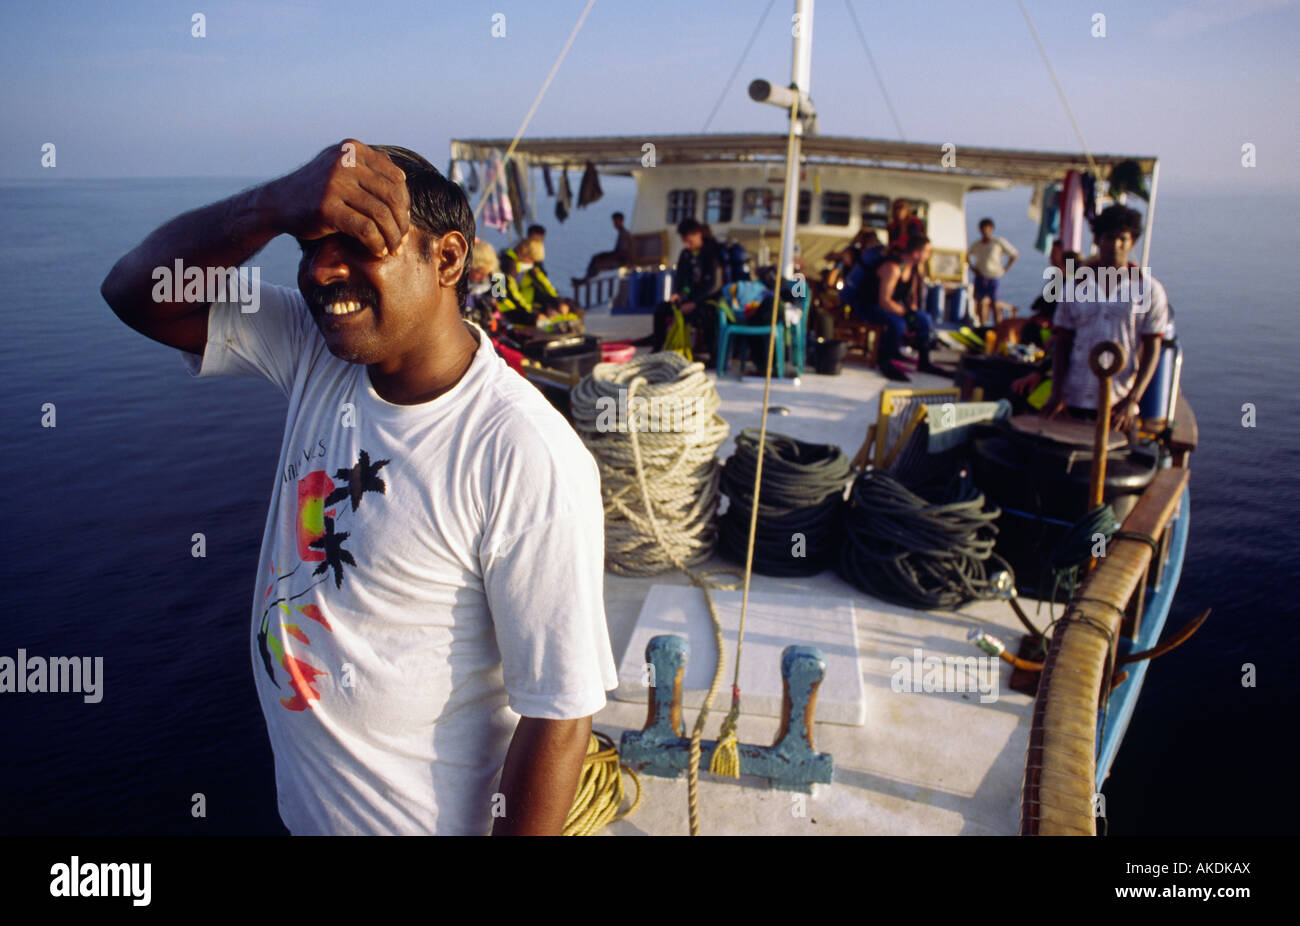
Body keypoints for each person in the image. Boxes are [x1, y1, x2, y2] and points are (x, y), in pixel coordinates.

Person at [99, 140, 616, 836]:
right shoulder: (321, 351)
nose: (322, 271)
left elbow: (558, 713)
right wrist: (270, 204)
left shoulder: (522, 453)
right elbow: (135, 293)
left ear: (448, 259)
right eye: (309, 246)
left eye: (360, 243)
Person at [1042, 204, 1169, 431]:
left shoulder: (1149, 290)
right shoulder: (1074, 286)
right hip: (1074, 399)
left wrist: (1132, 400)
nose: (1115, 245)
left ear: (1133, 242)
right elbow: (1063, 341)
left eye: (1122, 238)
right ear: (1098, 239)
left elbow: (1152, 349)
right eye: (1109, 237)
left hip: (1118, 404)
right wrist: (1056, 393)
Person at [851, 235, 940, 381]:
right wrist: (905, 313)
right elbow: (884, 301)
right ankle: (885, 360)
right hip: (867, 306)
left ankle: (924, 361)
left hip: (888, 307)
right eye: (927, 252)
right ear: (916, 253)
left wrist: (913, 313)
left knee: (924, 318)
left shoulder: (913, 269)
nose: (929, 256)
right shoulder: (893, 268)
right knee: (898, 323)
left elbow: (911, 298)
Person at [650, 218, 724, 358]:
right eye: (684, 241)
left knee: (709, 316)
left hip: (708, 301)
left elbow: (715, 285)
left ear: (698, 235)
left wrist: (694, 303)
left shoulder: (712, 253)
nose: (686, 245)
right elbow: (681, 277)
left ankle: (714, 356)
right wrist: (677, 293)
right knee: (661, 310)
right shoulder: (685, 254)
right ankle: (657, 348)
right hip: (689, 300)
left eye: (689, 241)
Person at [967, 218, 1018, 326]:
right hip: (980, 276)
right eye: (983, 228)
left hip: (994, 277)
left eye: (987, 228)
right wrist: (972, 268)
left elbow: (1014, 255)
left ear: (991, 229)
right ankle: (982, 327)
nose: (985, 231)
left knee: (995, 303)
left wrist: (1005, 269)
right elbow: (967, 256)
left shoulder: (998, 242)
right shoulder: (977, 244)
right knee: (980, 303)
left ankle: (997, 327)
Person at [584, 212, 633, 278]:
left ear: (621, 221)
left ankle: (588, 279)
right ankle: (587, 277)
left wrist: (607, 258)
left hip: (622, 261)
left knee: (597, 261)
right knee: (596, 257)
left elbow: (622, 253)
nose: (615, 224)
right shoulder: (622, 233)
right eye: (614, 222)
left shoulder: (624, 234)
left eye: (616, 221)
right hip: (619, 258)